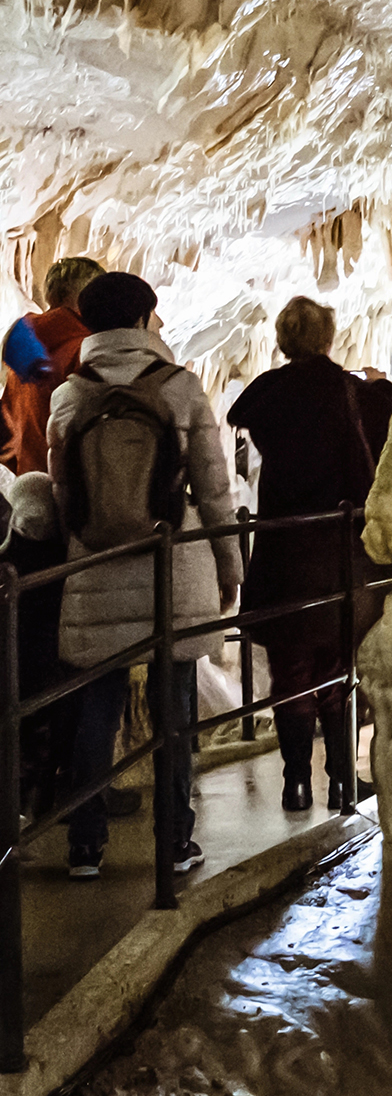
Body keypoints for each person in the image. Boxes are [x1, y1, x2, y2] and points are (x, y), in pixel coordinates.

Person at [49, 272, 241, 880]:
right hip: (170, 569)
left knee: (96, 711)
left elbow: (62, 493)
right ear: (139, 319)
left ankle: (85, 846)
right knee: (174, 712)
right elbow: (213, 487)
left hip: (95, 569)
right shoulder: (179, 386)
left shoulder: (69, 396)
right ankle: (175, 840)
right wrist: (229, 564)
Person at [226, 298, 391, 813]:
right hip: (336, 547)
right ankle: (341, 780)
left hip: (282, 549)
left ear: (283, 340)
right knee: (337, 667)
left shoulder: (270, 393)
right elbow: (378, 435)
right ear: (327, 338)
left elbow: (239, 412)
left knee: (290, 669)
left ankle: (295, 783)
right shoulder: (346, 391)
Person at [2, 473, 74, 819]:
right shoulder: (60, 560)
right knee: (45, 728)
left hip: (14, 664)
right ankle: (43, 797)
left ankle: (19, 799)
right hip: (50, 664)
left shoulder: (9, 560)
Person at [2, 257, 101, 474]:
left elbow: (5, 427)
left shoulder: (22, 341)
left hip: (29, 478)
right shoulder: (84, 348)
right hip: (71, 479)